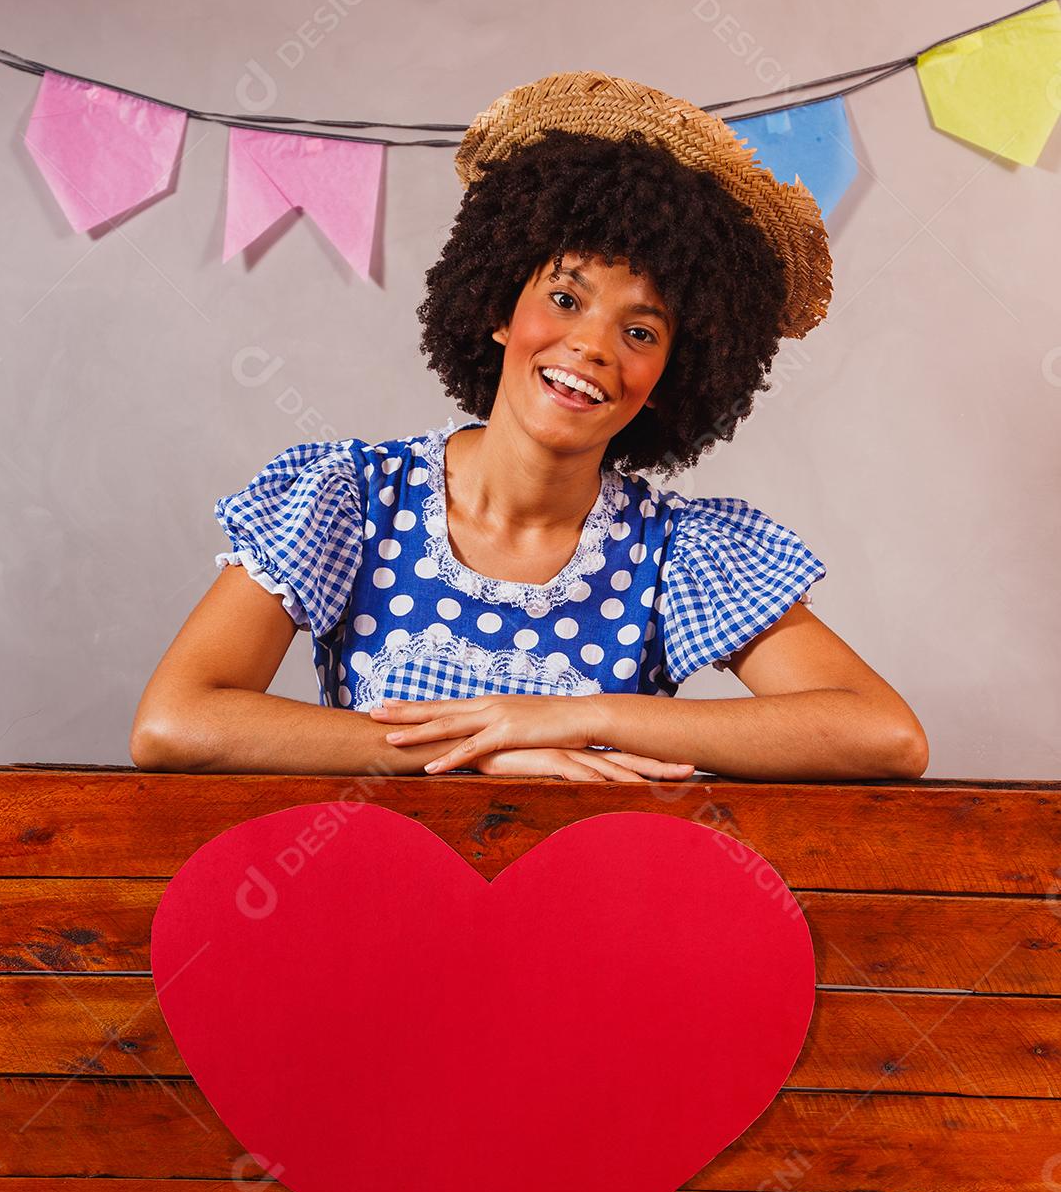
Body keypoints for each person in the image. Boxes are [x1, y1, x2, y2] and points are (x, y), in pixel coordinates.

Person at [130, 71, 929, 782]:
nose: (592, 346)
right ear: (499, 309)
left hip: (589, 932)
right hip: (376, 921)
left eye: (642, 332)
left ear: (667, 383)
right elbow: (176, 723)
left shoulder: (679, 554)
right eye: (566, 298)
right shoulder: (352, 501)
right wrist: (480, 751)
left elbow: (882, 735)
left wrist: (578, 718)